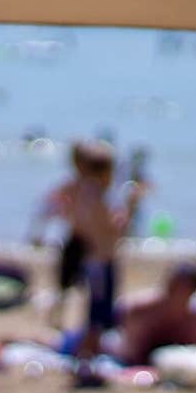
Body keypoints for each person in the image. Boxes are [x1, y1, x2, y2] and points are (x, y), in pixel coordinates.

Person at [67, 141, 142, 361]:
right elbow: (115, 230)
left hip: (93, 259)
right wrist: (131, 207)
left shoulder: (82, 193)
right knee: (99, 314)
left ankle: (90, 353)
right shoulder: (97, 198)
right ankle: (89, 355)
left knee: (96, 311)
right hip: (101, 260)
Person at [28, 142, 89, 327]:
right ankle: (56, 320)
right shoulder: (72, 186)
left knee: (81, 288)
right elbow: (48, 208)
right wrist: (38, 232)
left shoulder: (87, 186)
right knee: (64, 287)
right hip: (76, 241)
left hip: (87, 243)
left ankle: (69, 321)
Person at [116, 262, 196, 364]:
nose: (174, 291)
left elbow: (194, 352)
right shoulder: (140, 309)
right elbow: (131, 352)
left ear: (193, 290)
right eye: (172, 285)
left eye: (182, 287)